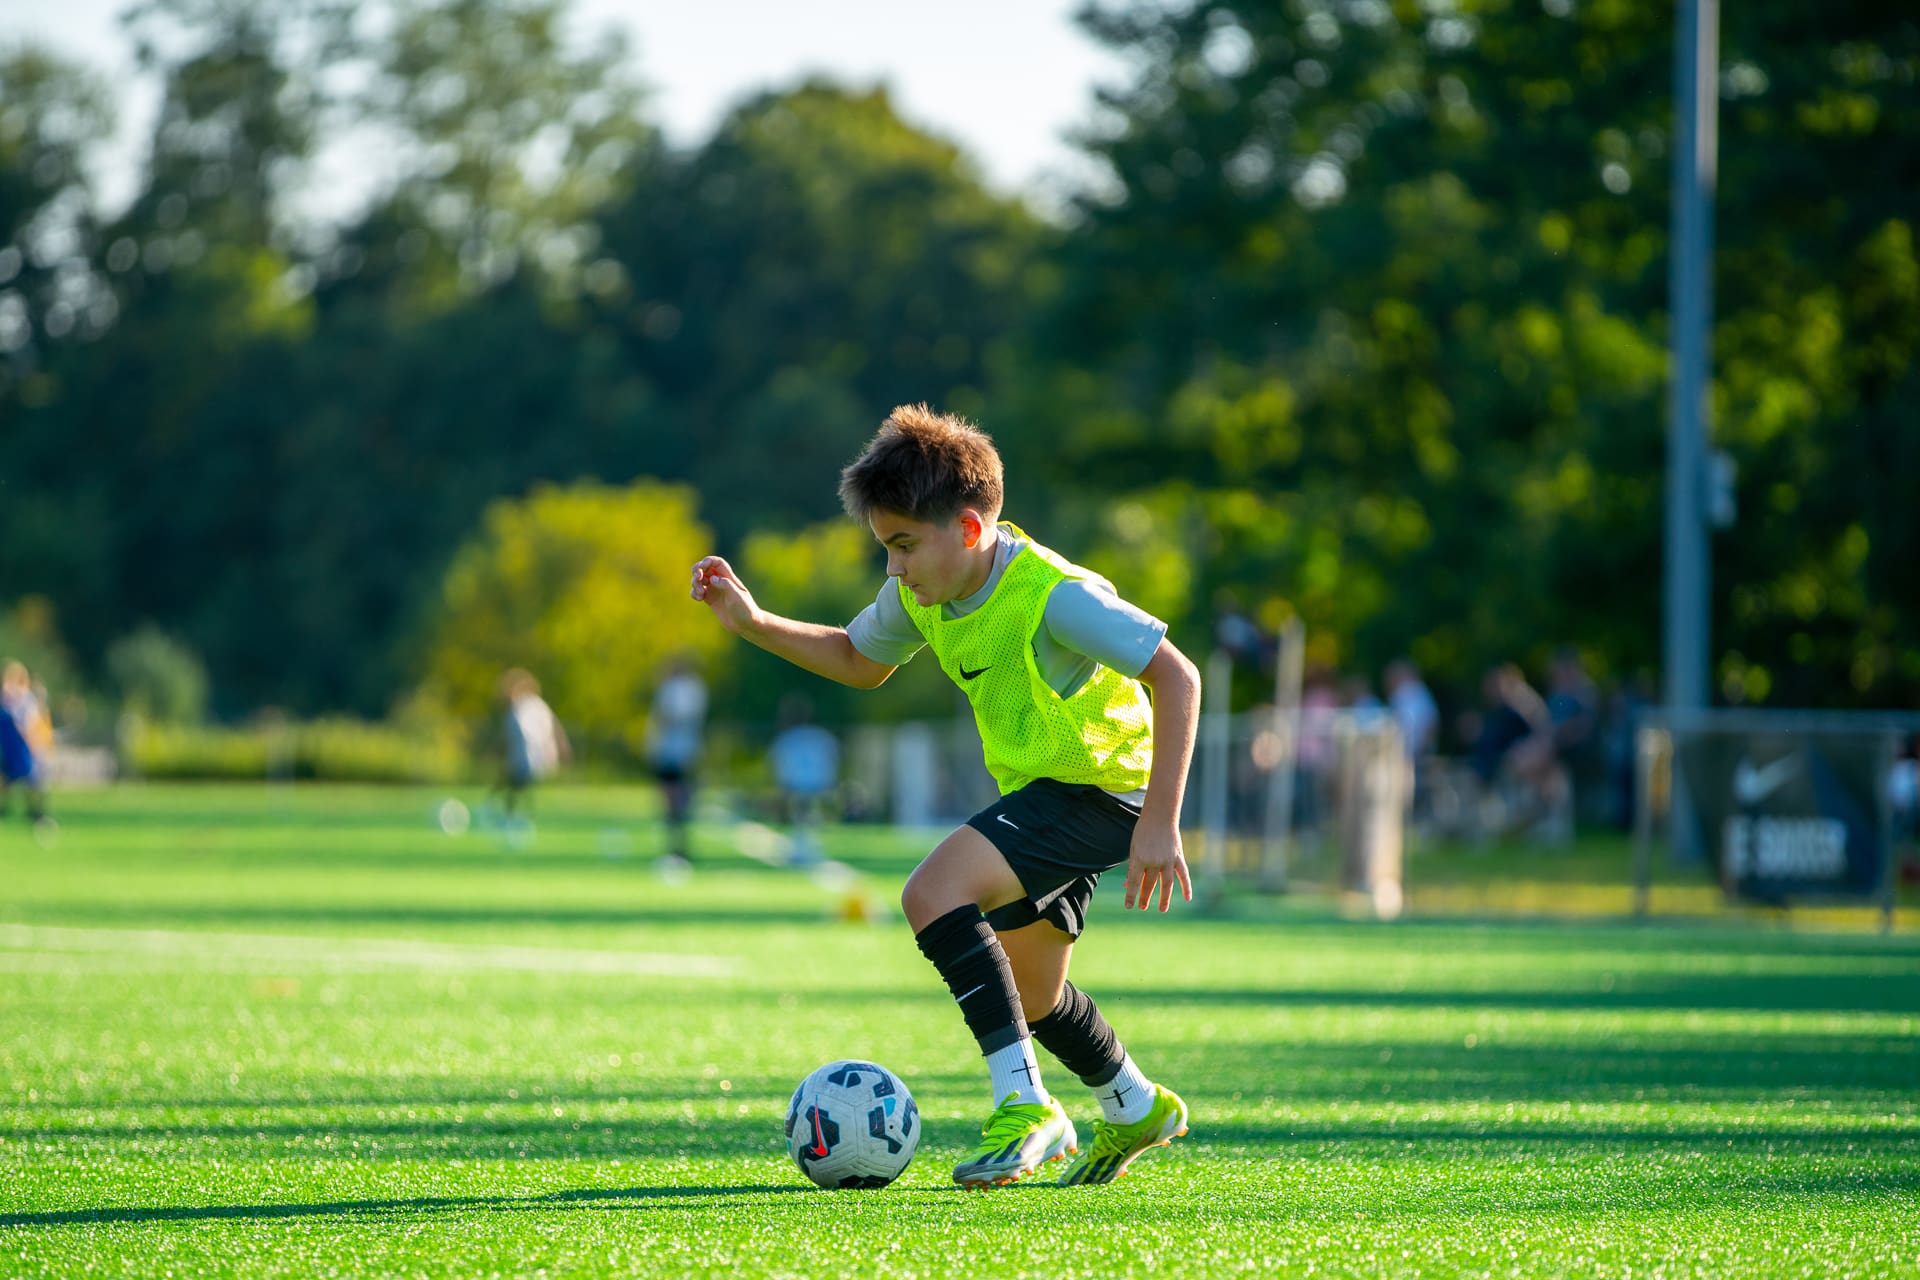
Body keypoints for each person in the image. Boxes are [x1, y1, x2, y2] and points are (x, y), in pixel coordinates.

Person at [690, 404, 1197, 1189]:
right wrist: (752, 622)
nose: (893, 569)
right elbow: (860, 658)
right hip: (1050, 789)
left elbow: (1177, 675)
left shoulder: (1054, 595)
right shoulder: (929, 589)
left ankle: (1025, 1104)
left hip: (1105, 789)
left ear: (967, 529)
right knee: (1032, 996)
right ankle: (1133, 1105)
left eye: (902, 546)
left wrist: (1160, 822)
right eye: (885, 549)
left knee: (933, 892)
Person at [646, 657, 708, 866]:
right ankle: (676, 845)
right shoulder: (675, 688)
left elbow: (674, 717)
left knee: (680, 800)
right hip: (673, 751)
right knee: (673, 802)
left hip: (681, 751)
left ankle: (679, 845)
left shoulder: (687, 689)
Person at [768, 693, 840, 866]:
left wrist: (784, 789)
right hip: (818, 782)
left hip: (798, 783)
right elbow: (831, 758)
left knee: (801, 817)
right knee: (810, 817)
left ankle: (803, 848)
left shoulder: (786, 740)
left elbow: (783, 765)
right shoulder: (820, 735)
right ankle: (807, 847)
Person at [494, 668, 569, 832]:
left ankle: (515, 818)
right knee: (514, 787)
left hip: (529, 758)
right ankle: (515, 816)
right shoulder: (537, 705)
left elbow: (523, 736)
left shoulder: (521, 709)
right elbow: (555, 727)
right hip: (537, 757)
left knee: (515, 787)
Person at [0, 661, 53, 839]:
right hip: (8, 748)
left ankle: (36, 813)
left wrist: (35, 744)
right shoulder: (5, 701)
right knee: (6, 781)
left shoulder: (25, 701)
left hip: (23, 748)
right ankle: (6, 812)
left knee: (33, 781)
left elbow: (31, 725)